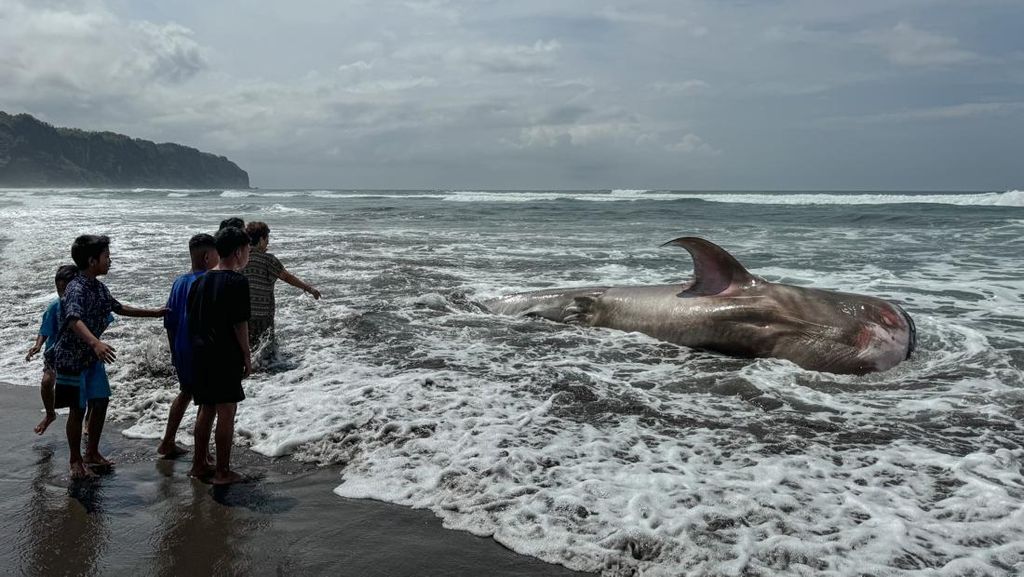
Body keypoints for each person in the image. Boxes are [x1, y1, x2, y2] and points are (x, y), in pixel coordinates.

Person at [44, 235, 167, 479]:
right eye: (106, 257)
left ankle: (92, 452)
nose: (110, 261)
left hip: (92, 358)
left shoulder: (98, 287)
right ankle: (75, 460)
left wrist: (155, 313)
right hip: (71, 359)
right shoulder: (76, 288)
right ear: (92, 261)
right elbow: (73, 319)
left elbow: (118, 308)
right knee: (78, 410)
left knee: (100, 402)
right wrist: (95, 342)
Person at [187, 226, 252, 485]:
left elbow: (192, 319)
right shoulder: (237, 281)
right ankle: (223, 472)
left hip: (200, 352)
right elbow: (239, 323)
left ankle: (199, 464)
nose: (247, 255)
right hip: (225, 354)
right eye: (247, 250)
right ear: (238, 252)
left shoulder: (199, 280)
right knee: (227, 410)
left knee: (206, 409)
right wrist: (246, 355)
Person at [156, 233, 219, 459]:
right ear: (207, 257)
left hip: (182, 347)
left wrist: (174, 350)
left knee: (186, 392)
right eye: (217, 254)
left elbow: (169, 321)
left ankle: (167, 442)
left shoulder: (179, 282)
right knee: (208, 402)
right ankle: (203, 455)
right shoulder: (209, 281)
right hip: (203, 349)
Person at [25, 265, 95, 435]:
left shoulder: (84, 304)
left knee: (88, 389)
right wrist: (38, 345)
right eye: (59, 290)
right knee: (46, 382)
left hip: (81, 353)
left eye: (65, 290)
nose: (62, 295)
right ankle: (50, 414)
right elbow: (45, 329)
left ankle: (88, 420)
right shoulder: (54, 306)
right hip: (55, 352)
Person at [241, 221, 321, 356]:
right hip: (263, 314)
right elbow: (287, 277)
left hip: (244, 314)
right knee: (265, 351)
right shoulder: (268, 259)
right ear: (261, 239)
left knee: (248, 350)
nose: (268, 242)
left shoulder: (241, 258)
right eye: (267, 238)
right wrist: (309, 289)